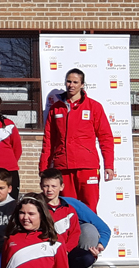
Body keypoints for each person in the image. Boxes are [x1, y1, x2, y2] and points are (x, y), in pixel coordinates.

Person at [39, 68, 114, 212]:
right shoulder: (56, 109)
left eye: (75, 82)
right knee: (67, 207)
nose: (71, 85)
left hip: (87, 166)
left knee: (89, 207)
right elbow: (48, 141)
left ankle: (91, 234)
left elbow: (106, 138)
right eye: (68, 81)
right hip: (63, 167)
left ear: (82, 84)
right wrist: (43, 167)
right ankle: (70, 235)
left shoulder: (94, 107)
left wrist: (108, 165)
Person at [40, 169, 97, 268]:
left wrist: (65, 251)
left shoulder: (69, 209)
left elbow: (75, 233)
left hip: (65, 252)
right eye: (46, 186)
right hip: (43, 252)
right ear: (41, 186)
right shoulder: (36, 207)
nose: (50, 190)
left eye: (53, 186)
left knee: (87, 257)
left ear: (61, 187)